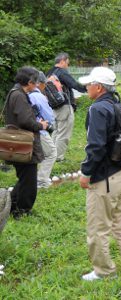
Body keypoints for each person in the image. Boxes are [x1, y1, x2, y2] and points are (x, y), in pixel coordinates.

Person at [78, 67, 121, 281]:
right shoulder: (119, 105)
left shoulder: (98, 109)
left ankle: (104, 271)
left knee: (98, 229)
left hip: (106, 180)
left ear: (98, 87)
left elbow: (96, 146)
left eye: (89, 84)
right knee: (119, 222)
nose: (86, 87)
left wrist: (86, 173)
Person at [4, 67, 48, 218]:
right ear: (29, 82)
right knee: (29, 181)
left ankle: (9, 207)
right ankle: (22, 211)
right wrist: (40, 125)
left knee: (25, 179)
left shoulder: (15, 93)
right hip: (23, 144)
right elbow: (25, 120)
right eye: (35, 83)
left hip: (18, 143)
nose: (36, 86)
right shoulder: (19, 95)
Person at [47, 53, 86, 162]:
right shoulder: (62, 72)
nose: (68, 64)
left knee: (56, 131)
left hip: (53, 107)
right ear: (63, 61)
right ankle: (58, 158)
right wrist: (88, 88)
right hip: (64, 106)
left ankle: (51, 155)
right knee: (64, 133)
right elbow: (74, 84)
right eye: (67, 62)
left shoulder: (49, 72)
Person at [28, 72, 57, 189]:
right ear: (39, 84)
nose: (45, 86)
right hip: (40, 130)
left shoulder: (26, 94)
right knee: (51, 153)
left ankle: (32, 180)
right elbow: (49, 116)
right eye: (44, 83)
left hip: (27, 130)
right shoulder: (38, 96)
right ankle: (41, 181)